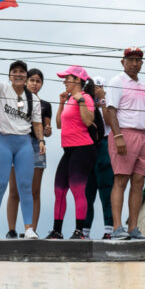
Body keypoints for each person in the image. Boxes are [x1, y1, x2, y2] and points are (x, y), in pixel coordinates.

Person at [0, 51, 44, 240]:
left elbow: (37, 124)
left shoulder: (33, 99)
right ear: (10, 76)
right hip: (3, 142)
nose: (18, 74)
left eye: (22, 72)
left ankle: (29, 228)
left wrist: (41, 141)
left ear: (26, 76)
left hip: (24, 144)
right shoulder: (2, 89)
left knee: (25, 187)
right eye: (14, 71)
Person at [105, 47, 145, 240]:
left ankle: (133, 227)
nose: (135, 63)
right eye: (131, 60)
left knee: (139, 181)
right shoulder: (117, 81)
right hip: (124, 132)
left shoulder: (143, 85)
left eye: (138, 60)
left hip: (142, 135)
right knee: (121, 180)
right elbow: (111, 110)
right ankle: (117, 227)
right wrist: (118, 136)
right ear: (123, 62)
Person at [46, 65, 97, 240]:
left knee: (77, 190)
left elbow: (88, 121)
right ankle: (57, 231)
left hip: (83, 148)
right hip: (68, 150)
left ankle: (79, 231)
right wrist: (62, 103)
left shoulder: (86, 97)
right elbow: (59, 124)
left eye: (67, 78)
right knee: (59, 190)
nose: (64, 82)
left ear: (77, 80)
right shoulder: (69, 99)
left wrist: (80, 100)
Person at [6, 68, 51, 238]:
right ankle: (11, 230)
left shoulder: (45, 105)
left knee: (34, 191)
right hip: (17, 143)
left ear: (42, 84)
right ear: (25, 81)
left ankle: (31, 229)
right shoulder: (15, 99)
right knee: (14, 190)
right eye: (32, 80)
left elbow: (46, 129)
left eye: (38, 81)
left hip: (37, 145)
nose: (34, 84)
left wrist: (47, 131)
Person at [83, 76, 115, 240]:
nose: (96, 91)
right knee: (87, 191)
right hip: (88, 144)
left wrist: (102, 100)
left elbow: (109, 122)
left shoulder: (108, 102)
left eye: (99, 87)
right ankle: (84, 231)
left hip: (105, 143)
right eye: (94, 88)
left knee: (106, 190)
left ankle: (109, 229)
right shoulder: (85, 101)